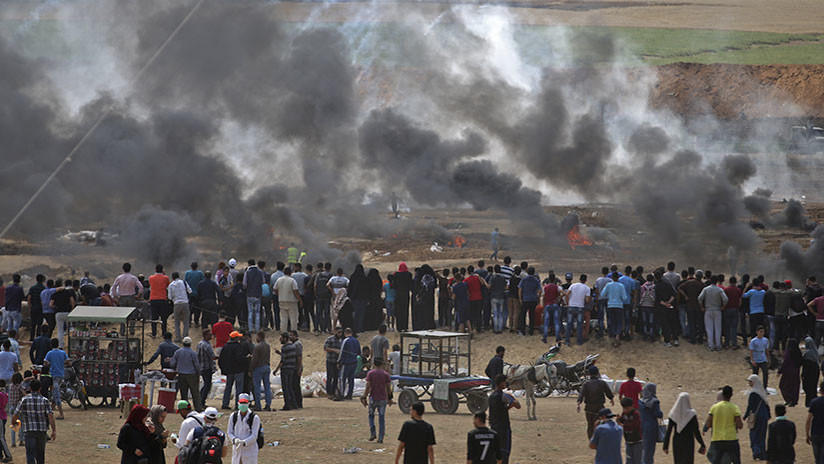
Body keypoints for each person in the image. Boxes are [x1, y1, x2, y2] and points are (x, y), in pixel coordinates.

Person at [13, 378, 56, 464]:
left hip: (29, 430)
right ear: (40, 388)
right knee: (40, 454)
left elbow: (15, 414)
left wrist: (15, 425)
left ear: (30, 388)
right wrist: (54, 430)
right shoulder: (45, 400)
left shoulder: (24, 400)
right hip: (41, 430)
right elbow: (50, 415)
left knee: (30, 454)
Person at [663, 392, 706, 464]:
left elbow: (669, 431)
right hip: (688, 441)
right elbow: (696, 431)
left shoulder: (673, 414)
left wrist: (665, 446)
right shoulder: (692, 414)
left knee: (678, 461)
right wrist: (702, 444)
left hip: (677, 441)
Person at [705, 385, 743, 464]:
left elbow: (708, 424)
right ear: (731, 395)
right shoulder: (734, 408)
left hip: (717, 439)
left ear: (722, 394)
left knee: (716, 461)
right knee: (736, 460)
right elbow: (740, 425)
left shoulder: (714, 407)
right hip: (731, 438)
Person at [488, 374, 520, 464]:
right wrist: (512, 399)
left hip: (493, 426)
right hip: (503, 427)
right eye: (505, 382)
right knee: (505, 450)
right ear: (501, 383)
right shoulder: (504, 395)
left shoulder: (491, 396)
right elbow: (518, 405)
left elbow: (497, 410)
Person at [578, 366, 615, 439]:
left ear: (589, 374)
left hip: (589, 408)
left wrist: (579, 403)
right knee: (599, 423)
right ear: (597, 373)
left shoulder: (586, 384)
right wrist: (611, 399)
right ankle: (598, 438)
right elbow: (608, 392)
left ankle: (591, 440)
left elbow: (581, 394)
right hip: (600, 407)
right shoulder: (602, 383)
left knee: (590, 425)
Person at [362, 358, 393, 443]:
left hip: (373, 397)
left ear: (374, 364)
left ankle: (373, 433)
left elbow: (368, 386)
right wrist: (390, 398)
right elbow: (388, 388)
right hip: (382, 398)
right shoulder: (385, 374)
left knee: (371, 415)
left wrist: (364, 396)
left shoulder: (370, 373)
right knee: (381, 418)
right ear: (382, 364)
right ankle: (380, 437)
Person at [219, 331, 251, 410]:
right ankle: (238, 405)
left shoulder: (225, 346)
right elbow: (240, 358)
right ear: (235, 338)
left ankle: (225, 404)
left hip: (229, 371)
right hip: (238, 370)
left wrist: (224, 370)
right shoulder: (238, 346)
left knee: (228, 388)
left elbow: (221, 360)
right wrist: (247, 358)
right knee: (239, 389)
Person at [227, 393, 261, 464]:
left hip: (250, 450)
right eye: (241, 402)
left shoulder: (254, 417)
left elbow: (254, 435)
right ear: (238, 403)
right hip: (237, 449)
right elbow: (229, 432)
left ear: (248, 403)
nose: (243, 404)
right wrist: (234, 439)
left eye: (245, 403)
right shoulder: (233, 416)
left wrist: (244, 442)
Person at [171, 336, 202, 411]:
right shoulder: (193, 353)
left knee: (184, 393)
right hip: (192, 375)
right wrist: (198, 375)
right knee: (195, 393)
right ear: (190, 344)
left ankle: (184, 409)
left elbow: (172, 363)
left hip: (181, 375)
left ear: (183, 343)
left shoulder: (178, 352)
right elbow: (197, 365)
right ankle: (198, 408)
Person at [43, 338, 67, 420]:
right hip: (61, 375)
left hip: (54, 375)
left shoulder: (50, 353)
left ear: (51, 345)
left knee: (56, 394)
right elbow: (68, 362)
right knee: (55, 392)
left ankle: (61, 414)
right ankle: (52, 407)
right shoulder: (63, 353)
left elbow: (45, 363)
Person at [638, 382, 662, 464]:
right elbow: (658, 414)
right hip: (652, 427)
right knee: (650, 449)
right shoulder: (655, 402)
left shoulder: (640, 402)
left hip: (642, 426)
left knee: (643, 447)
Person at [274, 332, 298, 411]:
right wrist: (280, 353)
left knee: (285, 387)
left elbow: (283, 360)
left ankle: (287, 405)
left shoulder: (284, 347)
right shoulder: (293, 346)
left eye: (281, 338)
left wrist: (276, 370)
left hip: (285, 369)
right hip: (291, 368)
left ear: (285, 338)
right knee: (290, 386)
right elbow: (288, 356)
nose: (280, 340)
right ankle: (294, 404)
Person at [566, 274, 592, 346]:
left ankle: (567, 340)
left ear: (579, 279)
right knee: (580, 324)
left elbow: (567, 294)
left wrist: (568, 303)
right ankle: (579, 341)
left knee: (569, 323)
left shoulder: (573, 285)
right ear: (585, 280)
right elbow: (587, 300)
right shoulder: (587, 288)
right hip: (580, 307)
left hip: (571, 306)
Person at [274, 267, 301, 332]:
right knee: (293, 318)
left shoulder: (279, 280)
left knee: (284, 318)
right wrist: (300, 300)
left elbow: (275, 289)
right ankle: (293, 331)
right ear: (290, 272)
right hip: (292, 301)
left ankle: (284, 332)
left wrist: (279, 295)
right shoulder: (292, 280)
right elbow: (295, 291)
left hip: (282, 300)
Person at [250, 331, 271, 411]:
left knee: (257, 387)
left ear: (259, 337)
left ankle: (258, 405)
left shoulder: (257, 346)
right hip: (266, 366)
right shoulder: (267, 345)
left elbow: (254, 360)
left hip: (258, 368)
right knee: (267, 387)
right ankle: (268, 405)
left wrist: (251, 369)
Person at [618, 397, 643, 464]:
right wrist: (618, 419)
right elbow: (621, 421)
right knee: (629, 460)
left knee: (637, 460)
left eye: (627, 408)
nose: (625, 410)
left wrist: (622, 425)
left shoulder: (636, 414)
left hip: (637, 441)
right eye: (624, 408)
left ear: (632, 406)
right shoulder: (624, 414)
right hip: (628, 441)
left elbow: (634, 425)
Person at [337, 328, 360, 400]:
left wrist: (339, 361)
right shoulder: (356, 341)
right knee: (351, 379)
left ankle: (341, 394)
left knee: (342, 379)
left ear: (345, 333)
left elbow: (341, 352)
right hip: (354, 362)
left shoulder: (345, 340)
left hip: (346, 363)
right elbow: (359, 352)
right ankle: (350, 394)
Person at [148, 265, 171, 338]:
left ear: (155, 269)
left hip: (153, 299)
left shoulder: (151, 278)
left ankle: (154, 334)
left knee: (154, 317)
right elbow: (168, 285)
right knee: (164, 317)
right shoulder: (166, 278)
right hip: (163, 299)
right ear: (162, 270)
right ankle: (164, 333)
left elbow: (150, 285)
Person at [778, 338, 802, 407]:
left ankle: (788, 399)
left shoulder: (788, 352)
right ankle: (794, 400)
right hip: (796, 371)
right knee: (794, 386)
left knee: (783, 386)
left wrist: (780, 371)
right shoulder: (798, 352)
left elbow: (785, 362)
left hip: (788, 372)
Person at [243, 259, 265, 333]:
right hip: (258, 294)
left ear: (249, 264)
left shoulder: (247, 272)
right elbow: (263, 282)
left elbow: (244, 284)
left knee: (250, 312)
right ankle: (257, 329)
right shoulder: (260, 272)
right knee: (257, 312)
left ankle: (250, 329)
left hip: (249, 294)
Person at [197, 329, 217, 404]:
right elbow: (212, 357)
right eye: (209, 334)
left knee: (206, 384)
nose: (211, 336)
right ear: (205, 336)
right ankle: (202, 401)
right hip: (207, 367)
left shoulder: (199, 344)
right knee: (207, 385)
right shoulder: (207, 345)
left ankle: (200, 399)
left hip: (201, 367)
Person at [323, 328, 343, 399]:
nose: (340, 334)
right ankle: (329, 393)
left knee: (336, 377)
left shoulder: (341, 340)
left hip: (337, 362)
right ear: (335, 332)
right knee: (330, 377)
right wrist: (334, 350)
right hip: (330, 361)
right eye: (338, 332)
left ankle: (333, 392)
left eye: (341, 332)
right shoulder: (330, 339)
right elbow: (325, 348)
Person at [26, 274, 46, 343]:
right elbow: (43, 300)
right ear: (43, 280)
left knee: (33, 324)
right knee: (39, 323)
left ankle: (31, 338)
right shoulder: (44, 288)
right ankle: (38, 336)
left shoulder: (32, 288)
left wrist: (29, 307)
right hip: (40, 308)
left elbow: (29, 298)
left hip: (33, 307)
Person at [803, 337, 821, 407]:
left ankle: (809, 402)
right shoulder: (815, 351)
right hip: (815, 371)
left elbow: (805, 363)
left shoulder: (807, 353)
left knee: (808, 387)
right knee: (813, 387)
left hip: (809, 372)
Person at [0, 380, 12, 462]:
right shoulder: (4, 394)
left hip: (0, 417)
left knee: (1, 437)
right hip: (2, 416)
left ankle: (8, 455)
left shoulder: (1, 394)